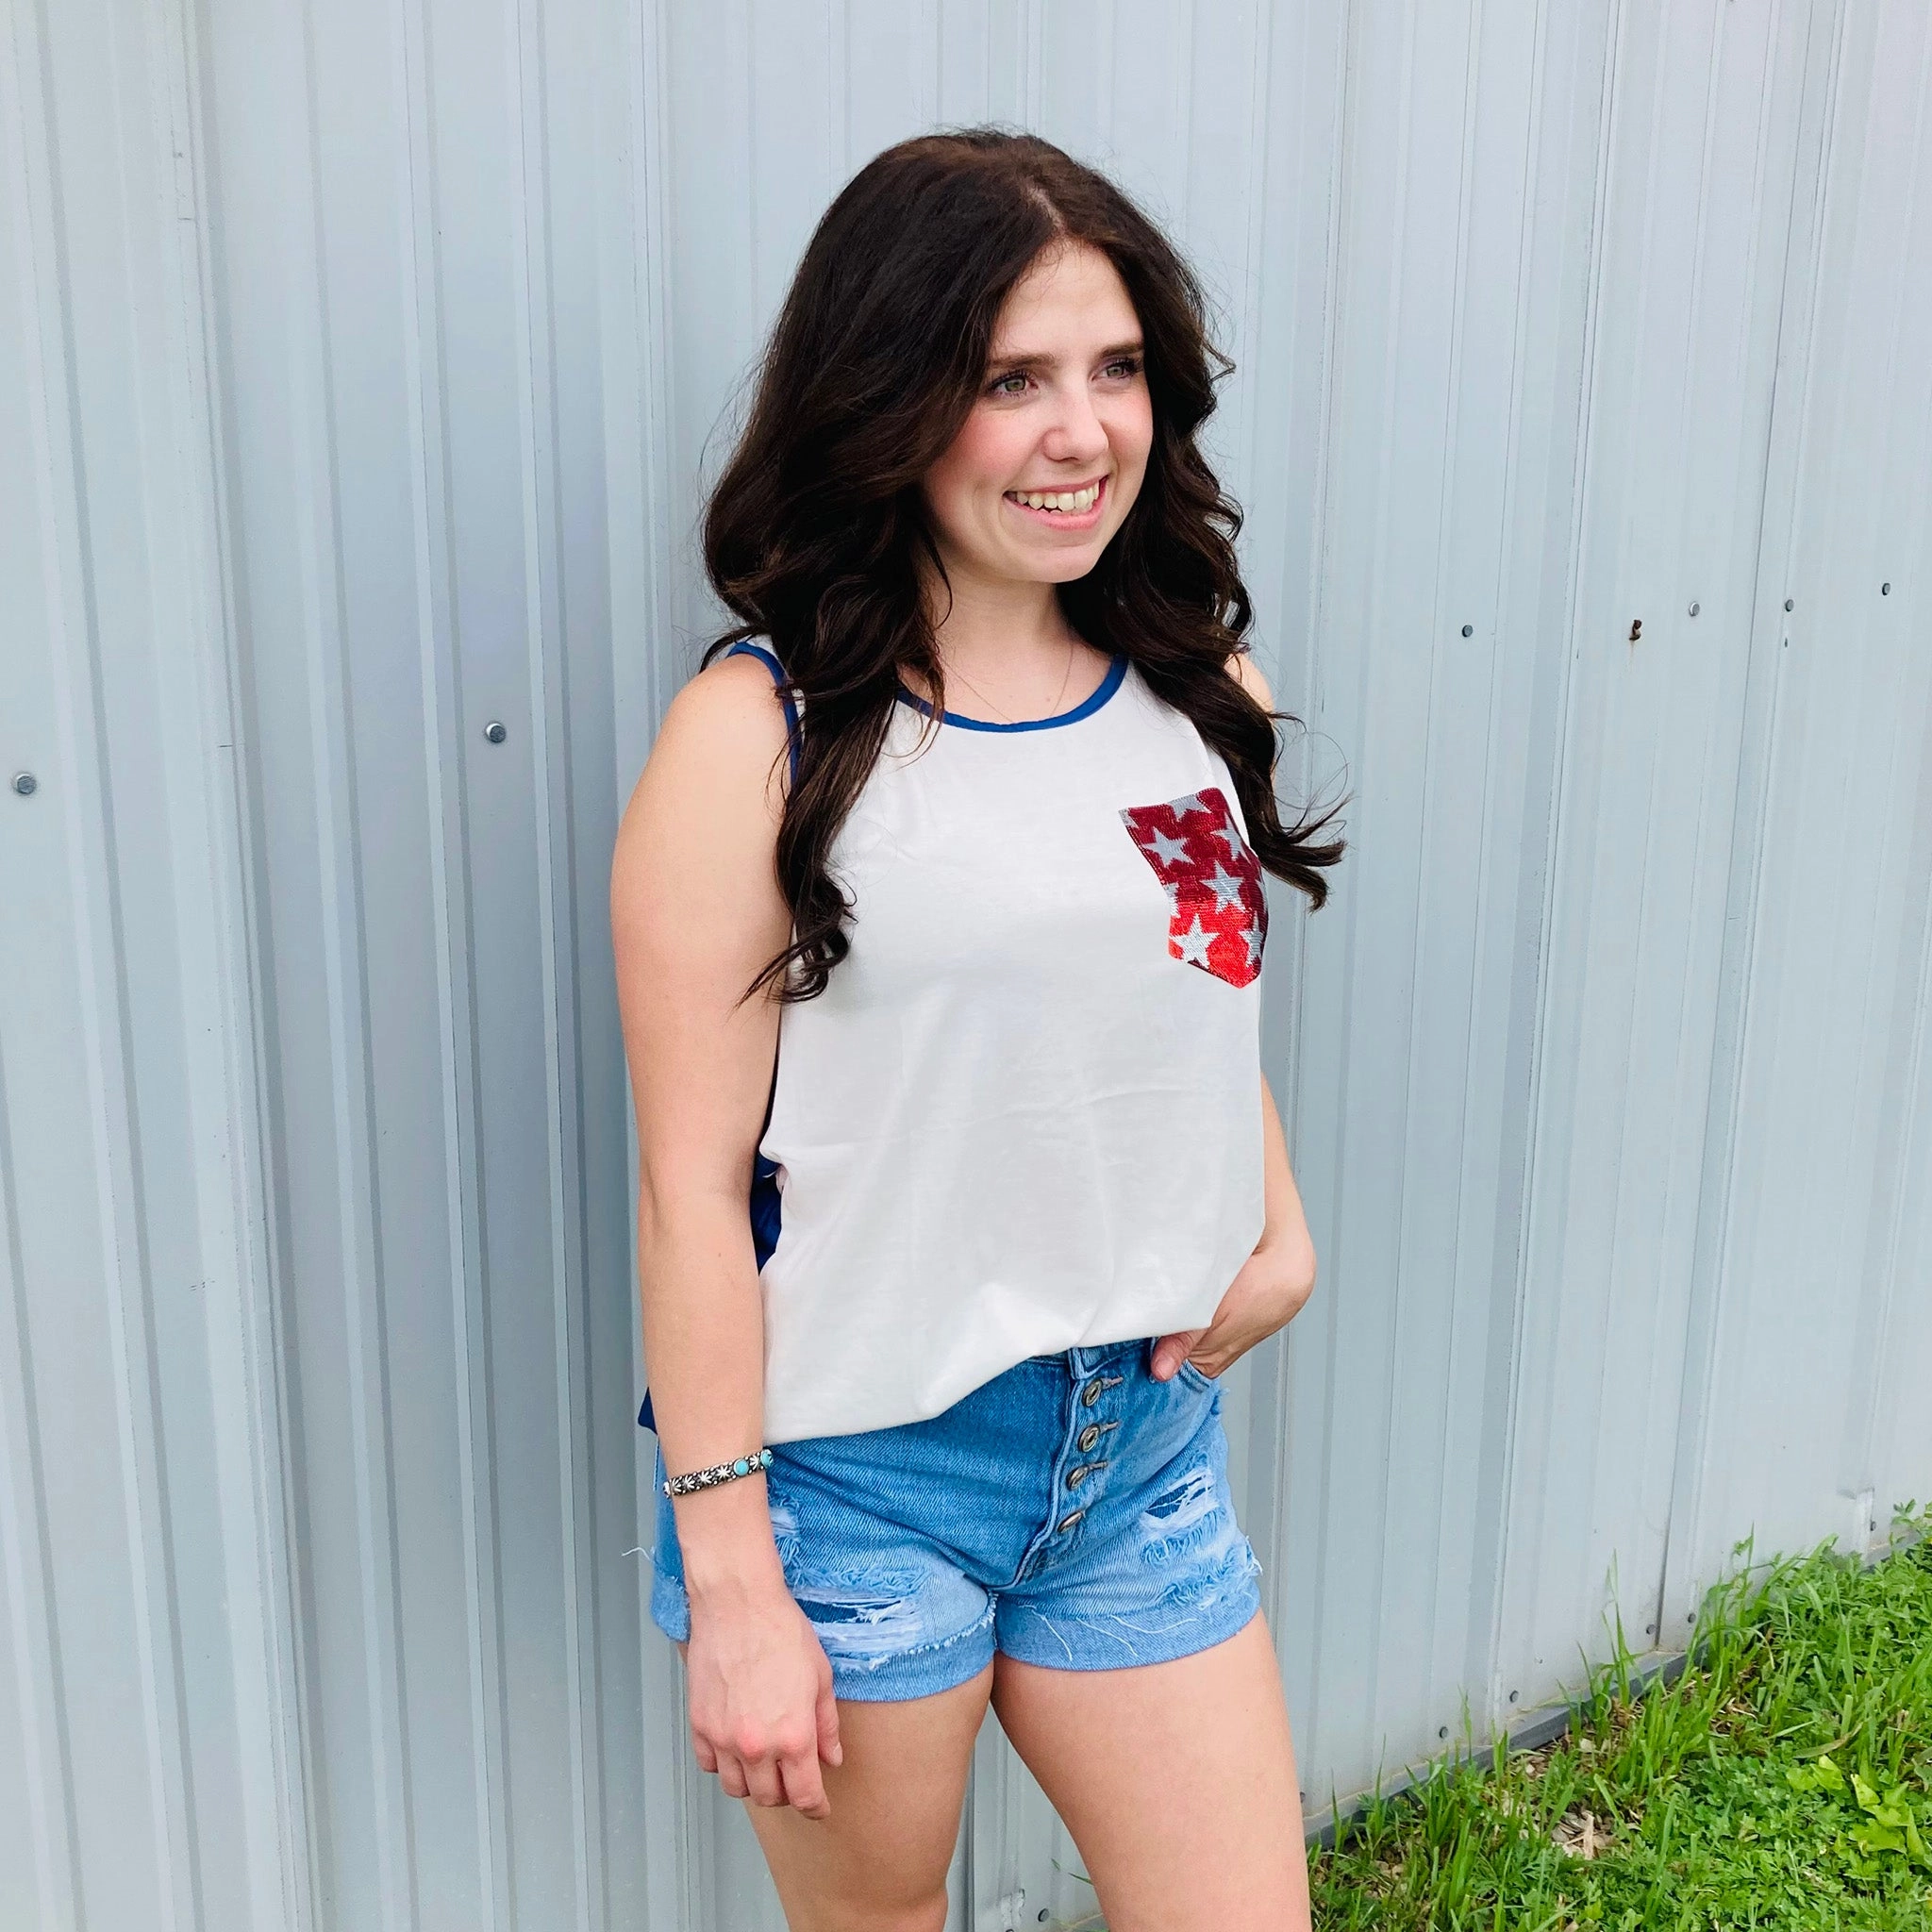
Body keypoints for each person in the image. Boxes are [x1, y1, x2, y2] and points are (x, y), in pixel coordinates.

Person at [610, 126, 1346, 1932]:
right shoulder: (766, 739)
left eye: (1117, 370)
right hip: (861, 1473)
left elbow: (1182, 992)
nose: (1081, 431)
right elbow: (690, 1189)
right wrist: (736, 1582)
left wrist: (1277, 1225)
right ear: (888, 401)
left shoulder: (1203, 690)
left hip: (1137, 1451)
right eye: (1012, 379)